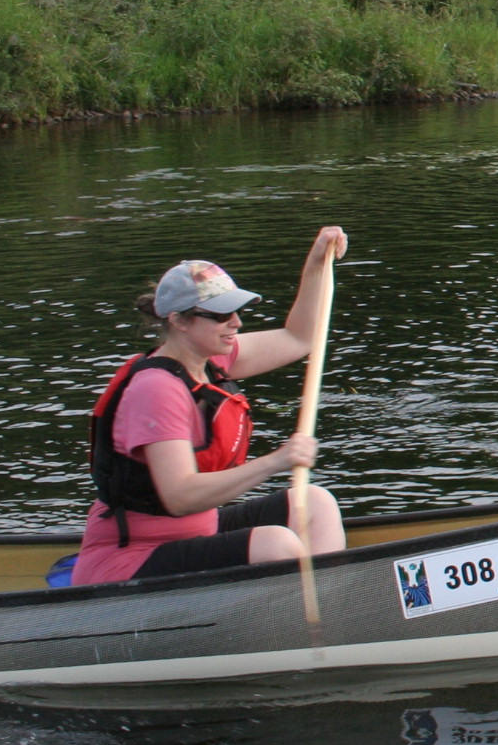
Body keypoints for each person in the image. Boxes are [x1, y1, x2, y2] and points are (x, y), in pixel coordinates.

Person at [73, 231, 353, 586]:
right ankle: (307, 619)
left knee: (315, 503)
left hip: (195, 532)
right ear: (178, 320)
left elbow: (299, 337)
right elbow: (180, 496)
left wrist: (316, 263)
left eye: (236, 310)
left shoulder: (211, 359)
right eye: (221, 315)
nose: (235, 322)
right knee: (277, 544)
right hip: (133, 557)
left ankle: (329, 609)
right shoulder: (156, 389)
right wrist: (276, 461)